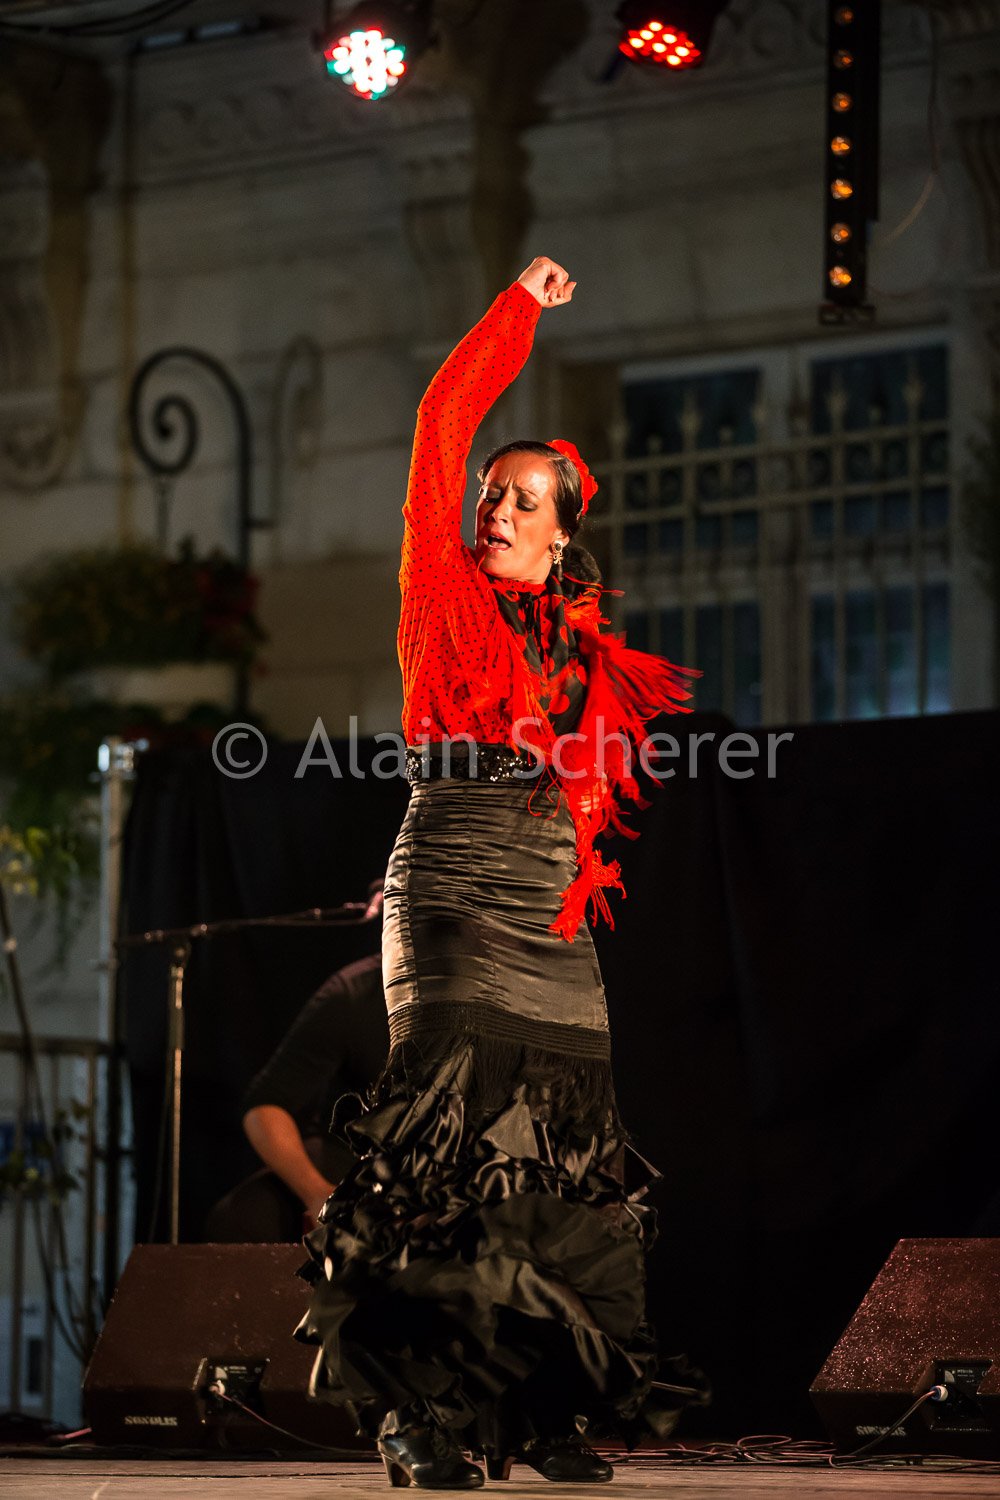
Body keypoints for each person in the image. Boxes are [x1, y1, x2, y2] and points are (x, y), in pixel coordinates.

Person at [295, 257, 703, 1488]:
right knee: (443, 1142)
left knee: (563, 1147)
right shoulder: (440, 590)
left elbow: (589, 787)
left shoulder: (582, 647)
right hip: (456, 870)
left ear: (562, 529)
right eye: (491, 491)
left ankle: (541, 1407)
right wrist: (518, 307)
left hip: (549, 899)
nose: (496, 508)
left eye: (523, 500)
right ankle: (414, 1412)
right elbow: (439, 420)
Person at [205, 949, 389, 1242]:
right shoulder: (354, 992)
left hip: (455, 1166)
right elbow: (265, 1106)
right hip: (362, 1158)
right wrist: (317, 1193)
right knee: (240, 1218)